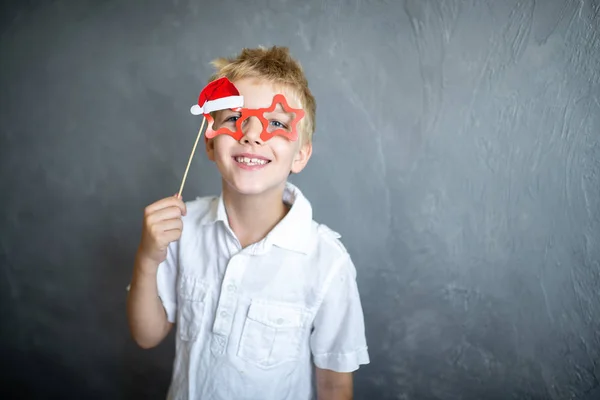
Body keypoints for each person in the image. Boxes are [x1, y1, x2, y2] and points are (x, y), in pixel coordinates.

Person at [126, 45, 369, 400]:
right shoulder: (183, 228)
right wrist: (148, 258)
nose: (252, 135)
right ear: (209, 144)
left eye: (276, 123)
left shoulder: (327, 262)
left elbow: (334, 385)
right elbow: (146, 335)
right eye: (233, 118)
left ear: (300, 154)